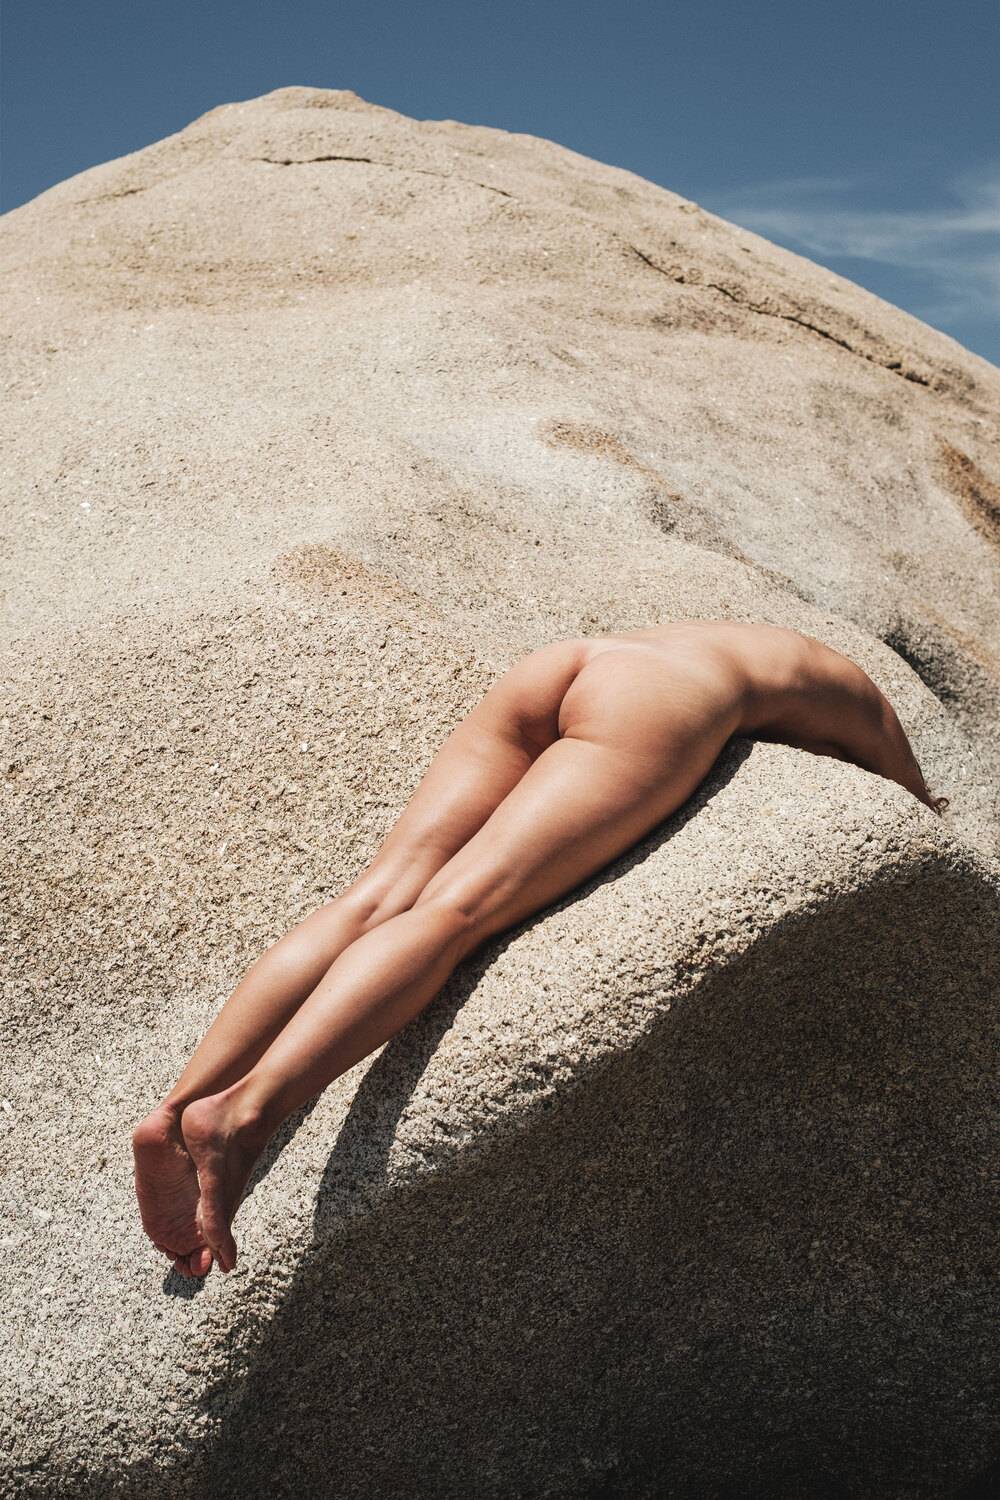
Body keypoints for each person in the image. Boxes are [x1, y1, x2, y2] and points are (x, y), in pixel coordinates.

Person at [132, 618, 947, 1278]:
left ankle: (173, 1111)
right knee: (456, 912)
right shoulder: (873, 721)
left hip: (571, 663)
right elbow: (913, 820)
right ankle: (245, 1114)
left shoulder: (774, 644)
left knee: (376, 896)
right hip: (666, 700)